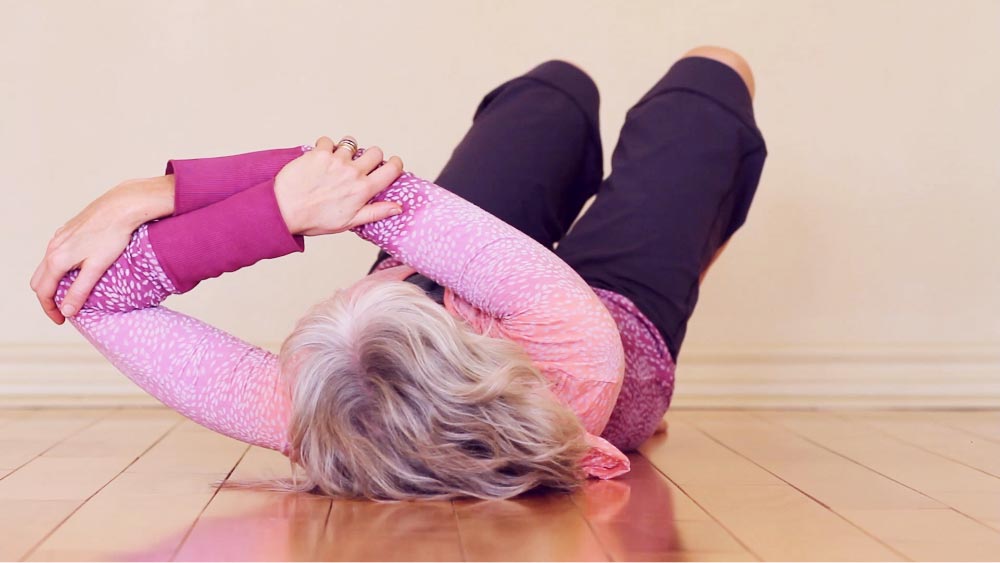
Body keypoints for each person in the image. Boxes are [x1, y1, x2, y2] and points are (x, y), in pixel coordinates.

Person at [29, 46, 767, 501]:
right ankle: (680, 261)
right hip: (614, 316)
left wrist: (232, 205)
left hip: (465, 284)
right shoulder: (581, 348)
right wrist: (256, 202)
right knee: (707, 85)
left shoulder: (303, 409)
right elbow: (377, 194)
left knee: (551, 93)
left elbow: (94, 298)